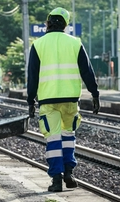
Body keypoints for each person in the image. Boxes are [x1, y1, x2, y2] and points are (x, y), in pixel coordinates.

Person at [27, 7, 100, 192]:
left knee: (53, 139)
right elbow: (87, 71)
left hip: (48, 100)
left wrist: (30, 101)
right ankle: (69, 172)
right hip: (70, 100)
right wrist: (95, 94)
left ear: (48, 22)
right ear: (66, 25)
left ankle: (56, 180)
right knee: (68, 136)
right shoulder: (75, 43)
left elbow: (32, 77)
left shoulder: (38, 45)